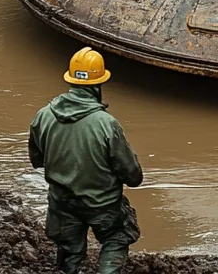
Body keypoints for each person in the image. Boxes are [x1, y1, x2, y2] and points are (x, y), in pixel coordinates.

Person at [29, 47, 143, 274]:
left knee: (69, 248)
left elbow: (37, 159)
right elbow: (132, 175)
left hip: (62, 201)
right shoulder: (106, 124)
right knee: (118, 236)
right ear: (99, 83)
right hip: (102, 203)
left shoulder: (43, 115)